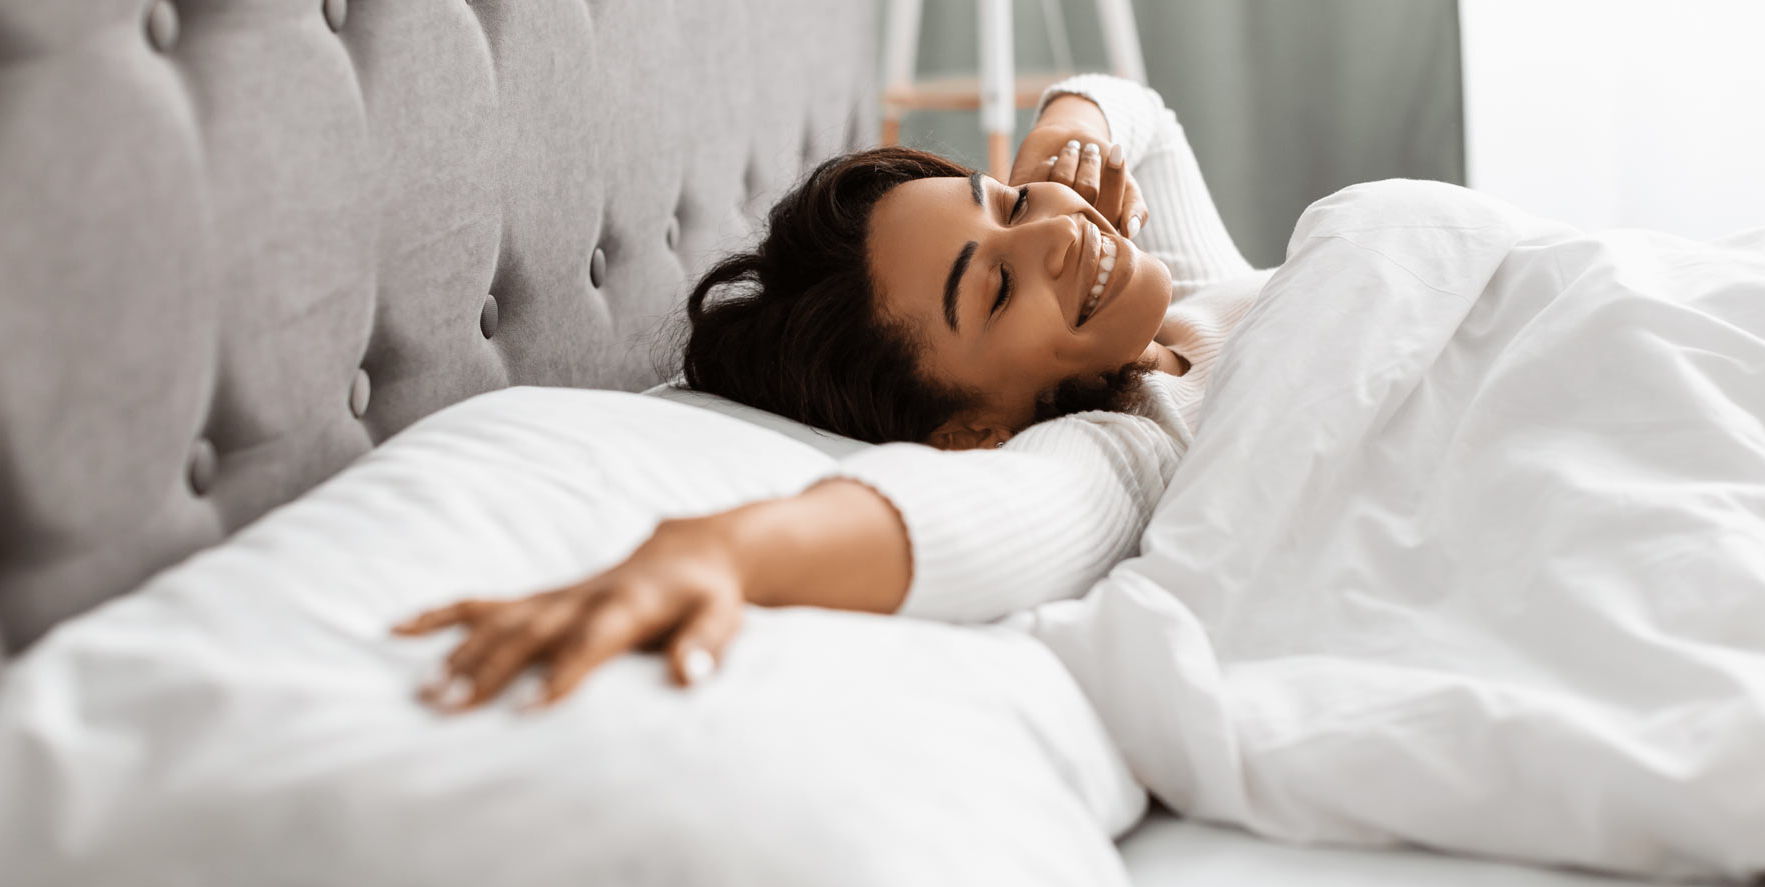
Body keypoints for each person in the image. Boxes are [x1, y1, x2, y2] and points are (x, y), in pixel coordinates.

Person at [396, 76, 1269, 709]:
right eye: (997, 289)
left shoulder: (1190, 296)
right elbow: (986, 516)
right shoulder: (1135, 449)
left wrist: (1060, 139)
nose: (1054, 231)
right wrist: (722, 549)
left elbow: (1143, 113)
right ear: (972, 430)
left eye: (1003, 202)